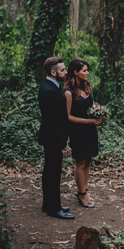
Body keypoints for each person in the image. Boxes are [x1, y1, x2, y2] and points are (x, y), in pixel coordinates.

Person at [37, 57, 74, 219]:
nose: (65, 72)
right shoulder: (48, 90)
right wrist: (62, 144)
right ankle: (54, 208)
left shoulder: (52, 86)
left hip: (53, 136)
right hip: (52, 138)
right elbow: (52, 120)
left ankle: (49, 204)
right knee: (52, 173)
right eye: (62, 70)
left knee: (51, 172)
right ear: (53, 72)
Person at [65, 58, 101, 208]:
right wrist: (87, 121)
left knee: (88, 160)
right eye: (84, 70)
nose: (87, 73)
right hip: (78, 130)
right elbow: (67, 116)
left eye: (87, 70)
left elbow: (93, 105)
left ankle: (85, 189)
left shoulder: (88, 86)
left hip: (90, 130)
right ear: (75, 72)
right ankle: (82, 194)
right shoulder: (68, 92)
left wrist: (99, 113)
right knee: (80, 162)